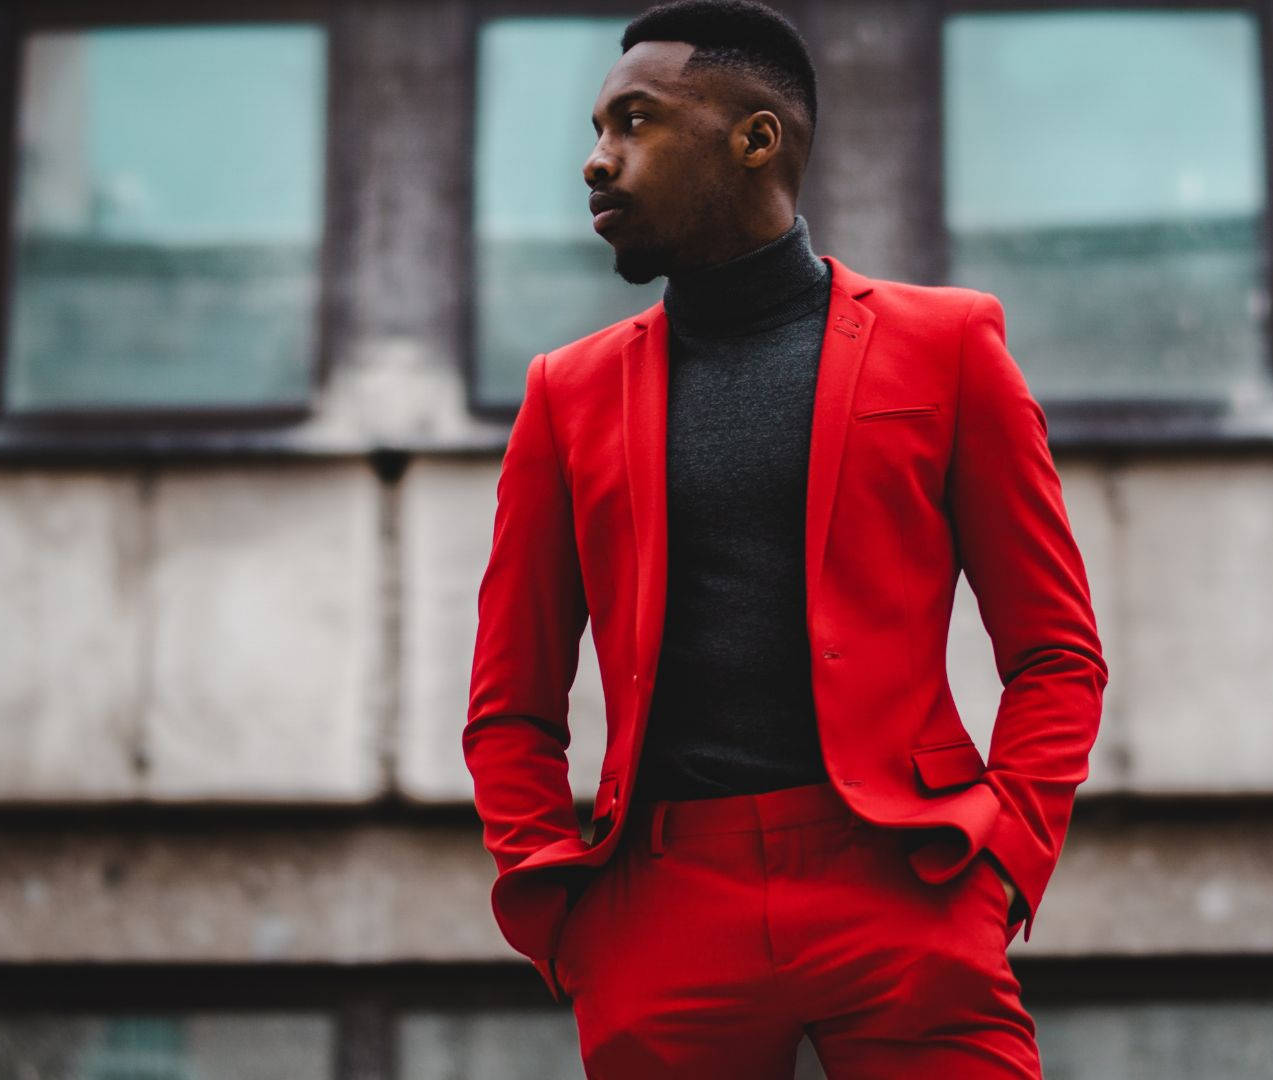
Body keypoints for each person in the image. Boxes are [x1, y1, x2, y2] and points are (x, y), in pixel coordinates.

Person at [461, 1, 1106, 1075]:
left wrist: (1003, 858)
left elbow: (1056, 652)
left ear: (755, 139)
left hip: (906, 878)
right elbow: (510, 702)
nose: (595, 162)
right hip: (661, 906)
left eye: (634, 123)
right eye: (597, 129)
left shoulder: (947, 349)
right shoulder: (564, 395)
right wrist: (564, 912)